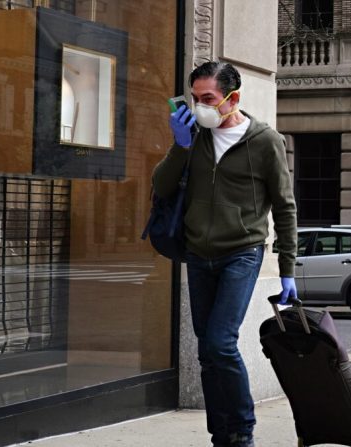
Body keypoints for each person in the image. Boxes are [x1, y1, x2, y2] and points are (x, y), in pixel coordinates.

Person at [152, 61, 297, 447]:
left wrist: (287, 269)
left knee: (220, 342)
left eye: (208, 99)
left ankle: (243, 429)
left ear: (232, 98)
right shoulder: (195, 138)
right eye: (194, 98)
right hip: (199, 253)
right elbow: (162, 186)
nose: (200, 106)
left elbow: (285, 207)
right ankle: (223, 435)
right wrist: (179, 146)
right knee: (206, 352)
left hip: (241, 252)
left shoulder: (266, 141)